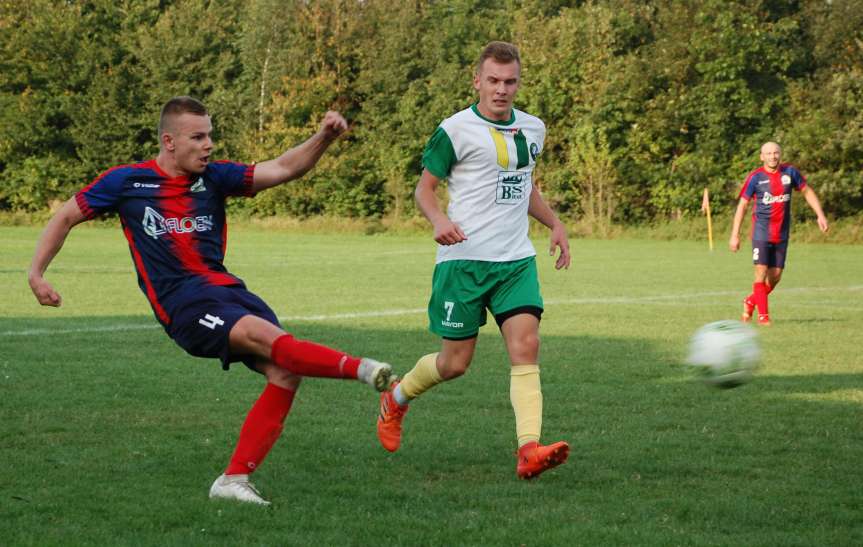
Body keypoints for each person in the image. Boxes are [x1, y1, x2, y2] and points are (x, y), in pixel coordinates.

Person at [28, 96, 393, 506]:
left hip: (228, 291)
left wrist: (323, 137)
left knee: (285, 372)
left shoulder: (215, 178)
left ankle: (233, 480)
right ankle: (363, 370)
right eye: (198, 137)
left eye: (210, 136)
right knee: (263, 337)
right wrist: (37, 272)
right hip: (183, 304)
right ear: (169, 141)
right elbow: (65, 216)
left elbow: (284, 167)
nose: (209, 145)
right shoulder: (127, 182)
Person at [375, 42, 572, 480]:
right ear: (477, 80)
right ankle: (396, 398)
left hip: (515, 261)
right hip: (462, 262)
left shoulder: (534, 129)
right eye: (494, 81)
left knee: (526, 347)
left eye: (511, 81)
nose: (502, 90)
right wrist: (438, 219)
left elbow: (524, 184)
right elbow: (424, 189)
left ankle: (529, 450)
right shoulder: (455, 130)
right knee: (455, 364)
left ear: (519, 82)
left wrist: (554, 223)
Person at [729, 141, 829, 325]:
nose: (772, 156)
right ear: (762, 156)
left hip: (781, 234)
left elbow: (807, 191)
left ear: (780, 154)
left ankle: (751, 301)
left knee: (774, 278)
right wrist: (735, 234)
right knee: (760, 272)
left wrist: (820, 215)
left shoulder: (790, 172)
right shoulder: (755, 178)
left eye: (776, 153)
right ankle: (763, 317)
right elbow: (742, 205)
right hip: (761, 233)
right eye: (768, 153)